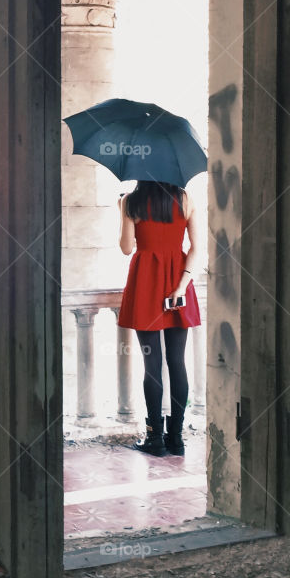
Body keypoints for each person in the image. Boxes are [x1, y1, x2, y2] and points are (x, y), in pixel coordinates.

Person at [116, 180, 201, 456]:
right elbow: (197, 250)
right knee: (177, 361)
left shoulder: (131, 201)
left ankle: (154, 439)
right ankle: (176, 438)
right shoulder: (184, 198)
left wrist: (122, 210)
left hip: (146, 283)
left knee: (151, 363)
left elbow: (127, 248)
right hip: (178, 281)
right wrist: (180, 286)